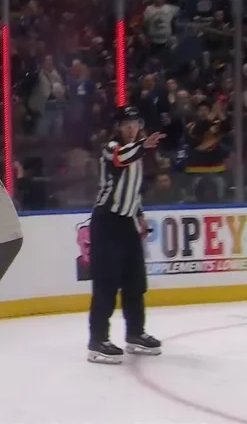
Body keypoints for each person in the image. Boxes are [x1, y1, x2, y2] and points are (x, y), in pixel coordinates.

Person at [87, 105, 166, 364]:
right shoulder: (111, 147)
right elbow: (121, 158)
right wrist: (144, 144)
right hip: (107, 223)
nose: (132, 129)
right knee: (107, 283)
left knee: (135, 282)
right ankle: (98, 340)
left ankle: (135, 333)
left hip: (127, 223)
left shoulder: (137, 151)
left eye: (136, 124)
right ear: (119, 127)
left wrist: (139, 215)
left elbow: (133, 192)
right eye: (127, 125)